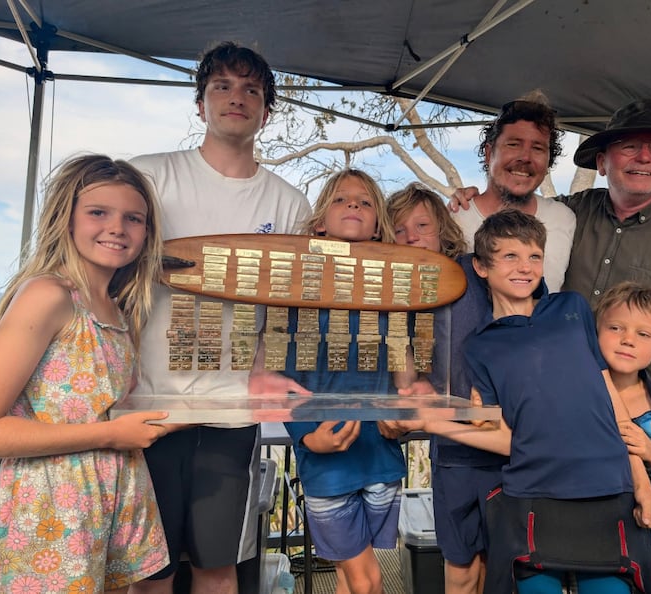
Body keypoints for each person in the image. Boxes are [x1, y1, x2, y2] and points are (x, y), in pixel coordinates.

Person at [450, 99, 651, 593]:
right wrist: (472, 196)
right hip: (564, 421)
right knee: (547, 551)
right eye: (630, 146)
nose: (644, 158)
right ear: (602, 161)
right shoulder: (571, 213)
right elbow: (514, 220)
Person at [395, 210, 651, 593]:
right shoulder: (480, 346)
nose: (525, 267)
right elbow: (506, 437)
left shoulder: (572, 309)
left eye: (534, 257)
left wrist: (642, 482)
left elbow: (610, 402)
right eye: (510, 256)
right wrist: (431, 423)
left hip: (607, 488)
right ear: (481, 267)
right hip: (533, 494)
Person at [128, 42, 312, 594]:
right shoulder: (148, 176)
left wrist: (263, 365)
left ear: (267, 109)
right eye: (222, 87)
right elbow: (112, 280)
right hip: (144, 403)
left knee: (217, 565)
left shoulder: (288, 203)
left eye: (252, 89)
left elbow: (282, 304)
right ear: (200, 103)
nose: (238, 98)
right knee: (149, 570)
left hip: (231, 409)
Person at [0, 155, 172, 593]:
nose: (117, 227)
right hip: (52, 513)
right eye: (98, 212)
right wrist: (110, 436)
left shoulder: (119, 310)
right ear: (68, 219)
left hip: (114, 499)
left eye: (133, 218)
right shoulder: (50, 294)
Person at [278, 169, 409, 594]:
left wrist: (403, 419)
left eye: (365, 201)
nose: (353, 205)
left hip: (383, 456)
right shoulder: (296, 291)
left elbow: (405, 371)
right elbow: (280, 377)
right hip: (326, 457)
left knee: (347, 574)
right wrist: (304, 438)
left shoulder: (393, 291)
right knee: (366, 578)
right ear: (319, 223)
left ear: (377, 224)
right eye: (340, 199)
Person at [387, 184, 497, 594]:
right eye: (398, 229)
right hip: (452, 448)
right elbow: (402, 356)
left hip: (505, 439)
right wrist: (410, 387)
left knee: (502, 560)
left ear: (443, 229)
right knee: (461, 560)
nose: (411, 236)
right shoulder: (398, 288)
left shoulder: (475, 269)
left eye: (421, 225)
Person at [450, 91, 575, 291]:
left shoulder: (563, 218)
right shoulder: (454, 220)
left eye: (538, 148)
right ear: (489, 153)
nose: (525, 157)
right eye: (513, 144)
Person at [596, 282, 651, 494]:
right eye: (615, 328)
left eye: (643, 334)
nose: (628, 340)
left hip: (635, 522)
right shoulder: (572, 393)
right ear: (596, 332)